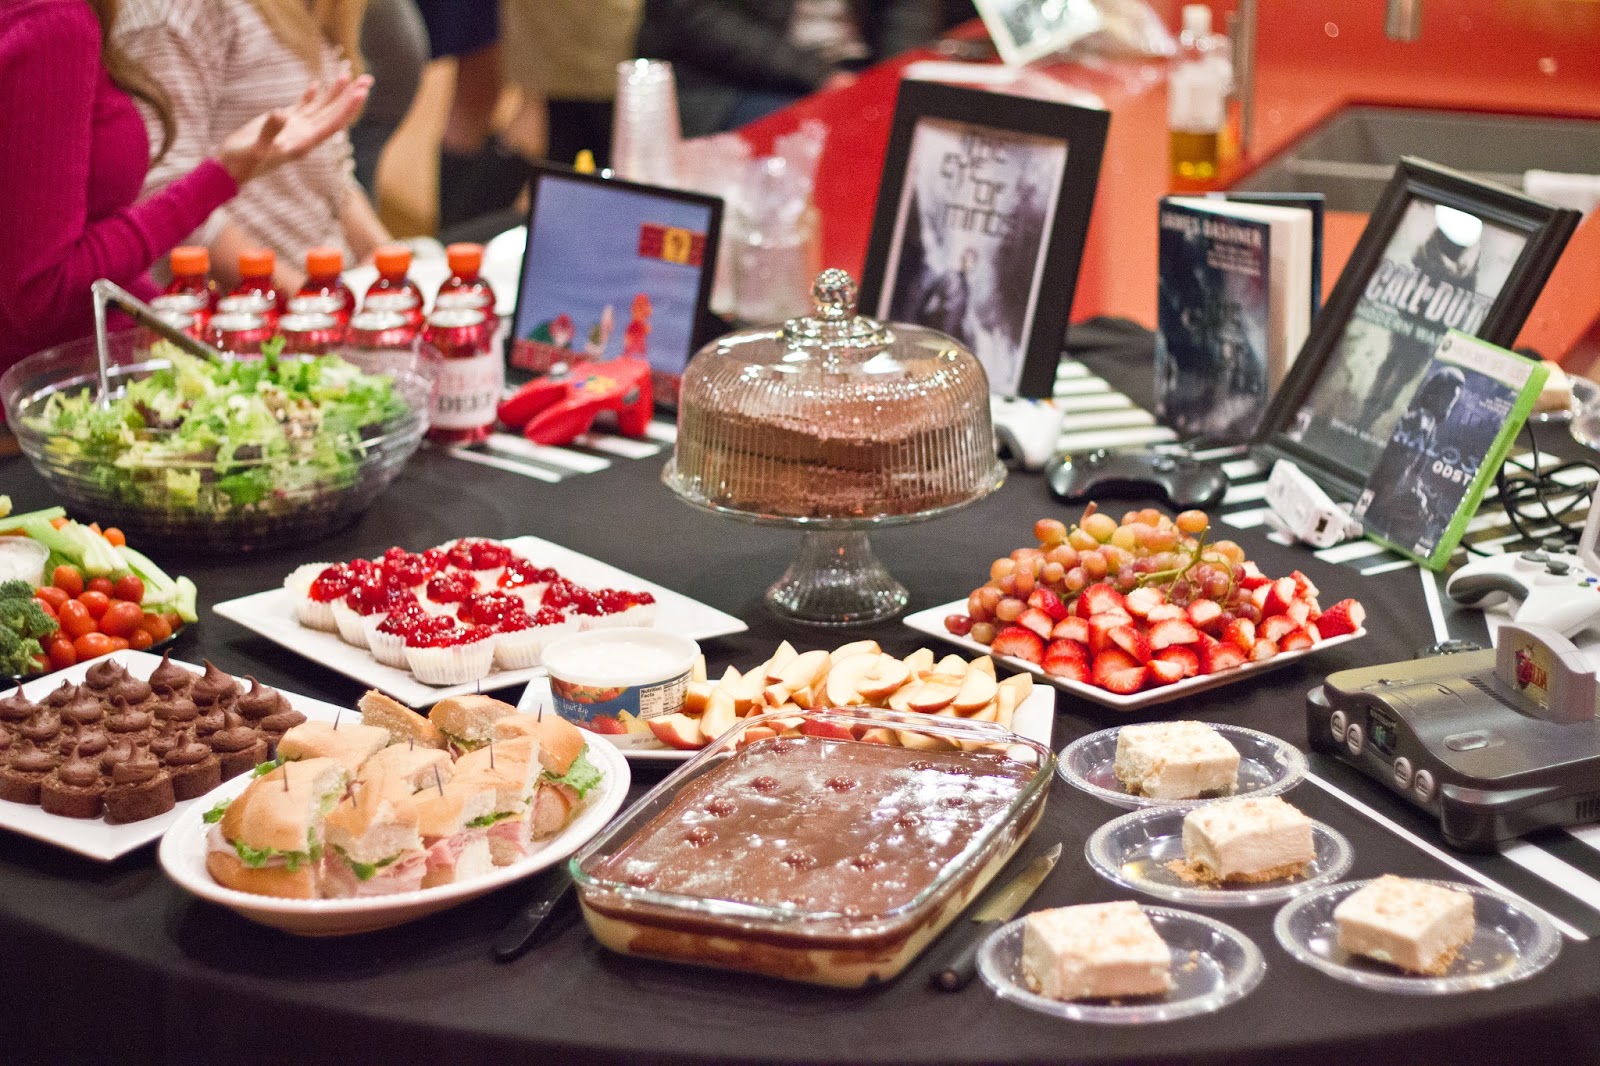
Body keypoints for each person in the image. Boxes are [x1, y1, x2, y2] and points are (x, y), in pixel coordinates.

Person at [0, 0, 370, 373]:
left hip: (119, 353)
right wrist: (221, 176)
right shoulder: (54, 21)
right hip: (59, 378)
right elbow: (40, 291)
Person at [118, 0, 390, 295]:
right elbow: (162, 190)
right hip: (240, 309)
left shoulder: (315, 9)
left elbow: (330, 174)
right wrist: (308, 300)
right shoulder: (188, 8)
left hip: (322, 291)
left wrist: (392, 264)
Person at [635, 0, 942, 137]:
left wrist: (890, 80)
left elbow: (907, 13)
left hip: (853, 70)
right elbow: (695, 19)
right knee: (843, 140)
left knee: (923, 131)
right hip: (727, 85)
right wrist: (820, 75)